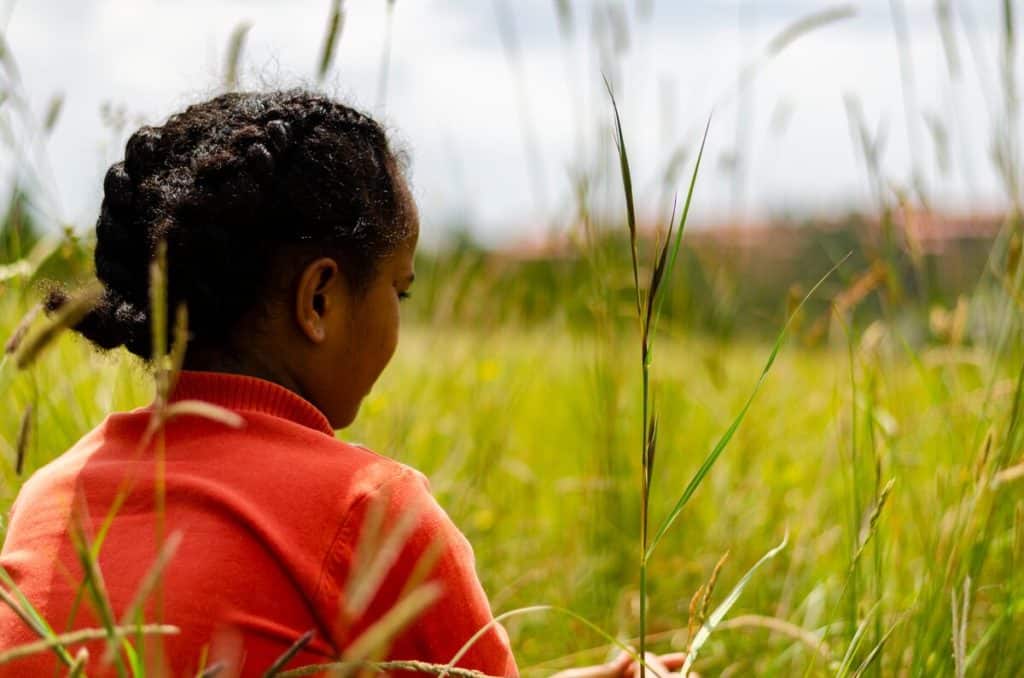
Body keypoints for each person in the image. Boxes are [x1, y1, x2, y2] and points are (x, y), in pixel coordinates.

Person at [0, 90, 681, 677]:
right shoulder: (368, 511)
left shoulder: (50, 496)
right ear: (320, 298)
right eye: (400, 290)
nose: (399, 320)